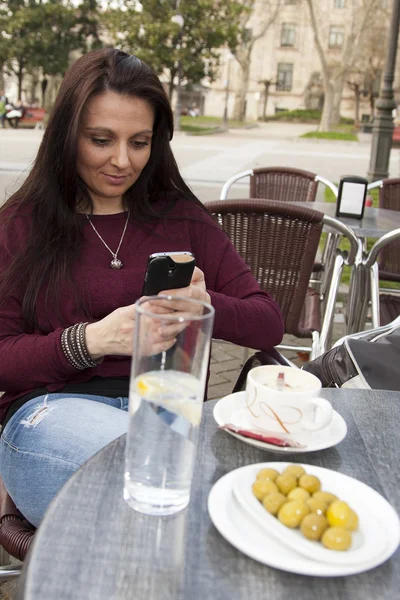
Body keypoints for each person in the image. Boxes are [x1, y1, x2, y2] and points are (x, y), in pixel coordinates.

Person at [0, 48, 284, 527]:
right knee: (179, 478)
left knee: (161, 480)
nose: (122, 161)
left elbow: (268, 322)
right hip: (53, 417)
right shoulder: (21, 224)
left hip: (166, 408)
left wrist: (205, 304)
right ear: (67, 136)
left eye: (140, 141)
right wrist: (91, 341)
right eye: (101, 139)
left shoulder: (181, 216)